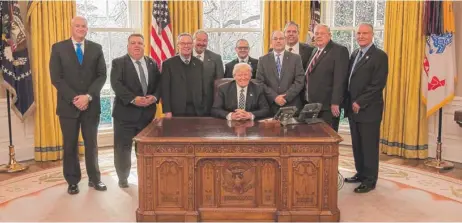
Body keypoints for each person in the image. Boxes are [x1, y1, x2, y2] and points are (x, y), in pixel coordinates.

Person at [49, 16, 107, 194]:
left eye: (84, 26)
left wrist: (88, 97)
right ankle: (72, 181)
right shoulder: (58, 48)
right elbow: (56, 78)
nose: (81, 28)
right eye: (77, 26)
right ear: (71, 27)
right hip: (68, 107)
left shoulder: (96, 48)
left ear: (87, 29)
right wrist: (76, 98)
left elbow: (102, 75)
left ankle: (95, 179)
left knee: (92, 144)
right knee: (70, 145)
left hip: (91, 105)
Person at [110, 34, 161, 188]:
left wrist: (154, 97)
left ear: (144, 46)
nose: (137, 46)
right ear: (128, 46)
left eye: (140, 43)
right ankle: (123, 178)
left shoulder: (152, 63)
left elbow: (159, 83)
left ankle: (145, 176)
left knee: (145, 150)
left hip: (147, 116)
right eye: (133, 43)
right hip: (125, 115)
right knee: (123, 149)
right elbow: (116, 85)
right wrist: (134, 99)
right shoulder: (119, 63)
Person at [343, 23, 388, 193]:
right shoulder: (355, 54)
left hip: (368, 110)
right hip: (353, 110)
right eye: (359, 33)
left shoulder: (379, 56)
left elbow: (377, 85)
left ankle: (370, 180)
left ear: (372, 35)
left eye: (365, 33)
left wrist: (360, 102)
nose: (361, 36)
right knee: (357, 145)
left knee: (369, 146)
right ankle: (360, 173)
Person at [303, 24, 349, 131]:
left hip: (328, 107)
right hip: (312, 105)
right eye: (316, 33)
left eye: (322, 33)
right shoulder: (315, 51)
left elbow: (340, 79)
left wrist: (335, 102)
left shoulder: (339, 50)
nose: (318, 36)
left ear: (329, 35)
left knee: (328, 139)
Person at [255, 30, 305, 116]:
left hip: (291, 106)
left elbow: (300, 81)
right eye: (275, 39)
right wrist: (275, 97)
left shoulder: (296, 58)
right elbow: (259, 82)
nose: (278, 41)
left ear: (285, 41)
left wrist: (286, 97)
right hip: (270, 107)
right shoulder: (262, 60)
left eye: (281, 38)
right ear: (271, 42)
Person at [162, 33, 205, 117]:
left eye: (189, 43)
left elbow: (202, 87)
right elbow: (165, 90)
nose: (186, 46)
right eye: (183, 43)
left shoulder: (199, 63)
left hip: (196, 110)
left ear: (192, 45)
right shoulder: (168, 64)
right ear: (178, 45)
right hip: (176, 110)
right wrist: (167, 111)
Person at [193, 30, 224, 115]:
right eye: (199, 40)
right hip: (188, 104)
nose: (202, 43)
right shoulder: (184, 56)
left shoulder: (216, 58)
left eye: (205, 40)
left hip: (208, 104)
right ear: (193, 40)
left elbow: (220, 82)